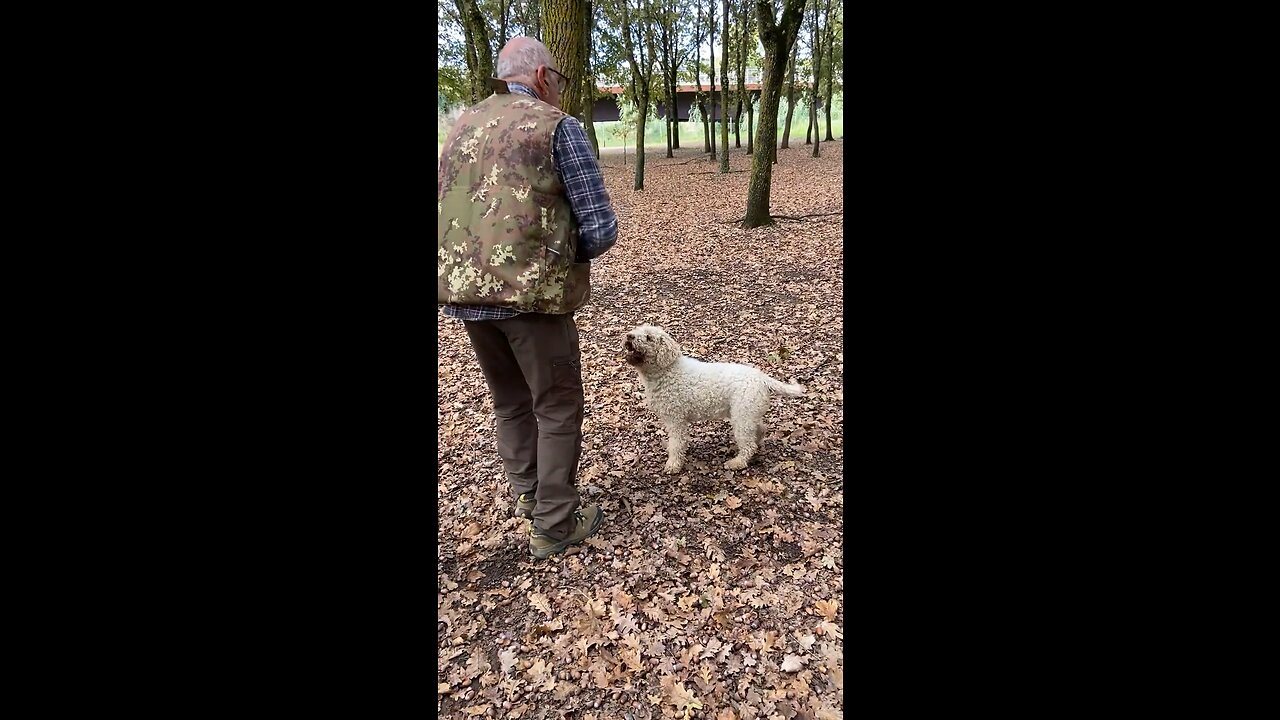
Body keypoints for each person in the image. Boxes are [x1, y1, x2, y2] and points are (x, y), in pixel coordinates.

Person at [437, 37, 618, 560]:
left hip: (465, 295)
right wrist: (555, 260)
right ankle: (556, 522)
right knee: (557, 404)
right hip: (532, 299)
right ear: (542, 77)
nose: (560, 89)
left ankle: (531, 496)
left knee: (510, 400)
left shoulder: (458, 127)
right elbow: (601, 227)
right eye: (558, 79)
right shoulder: (556, 127)